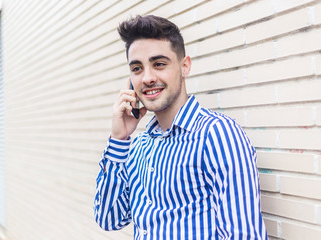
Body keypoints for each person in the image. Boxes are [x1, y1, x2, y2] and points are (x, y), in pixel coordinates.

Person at [94, 15, 268, 240]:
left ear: (184, 67)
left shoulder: (216, 135)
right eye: (137, 68)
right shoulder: (138, 146)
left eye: (159, 64)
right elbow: (109, 218)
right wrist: (119, 139)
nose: (147, 78)